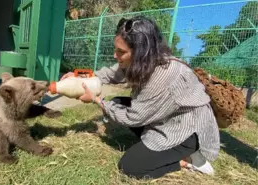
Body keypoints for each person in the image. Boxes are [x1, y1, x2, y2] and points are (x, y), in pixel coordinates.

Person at [60, 16, 220, 179]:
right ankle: (158, 148)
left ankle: (187, 160)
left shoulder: (164, 75)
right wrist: (79, 75)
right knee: (117, 104)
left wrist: (96, 100)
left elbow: (133, 117)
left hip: (185, 130)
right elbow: (109, 74)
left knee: (130, 166)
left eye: (121, 52)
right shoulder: (144, 61)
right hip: (165, 118)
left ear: (141, 52)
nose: (115, 55)